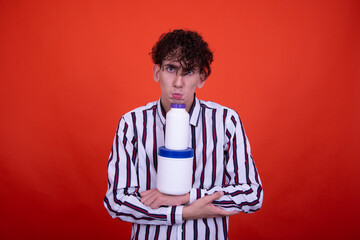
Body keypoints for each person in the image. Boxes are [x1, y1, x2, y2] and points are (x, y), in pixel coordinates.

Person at [104, 29, 263, 240]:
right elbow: (117, 200)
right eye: (171, 68)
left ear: (202, 78)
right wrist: (183, 213)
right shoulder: (132, 124)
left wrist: (186, 197)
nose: (178, 83)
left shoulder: (226, 122)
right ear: (156, 72)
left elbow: (252, 194)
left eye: (188, 72)